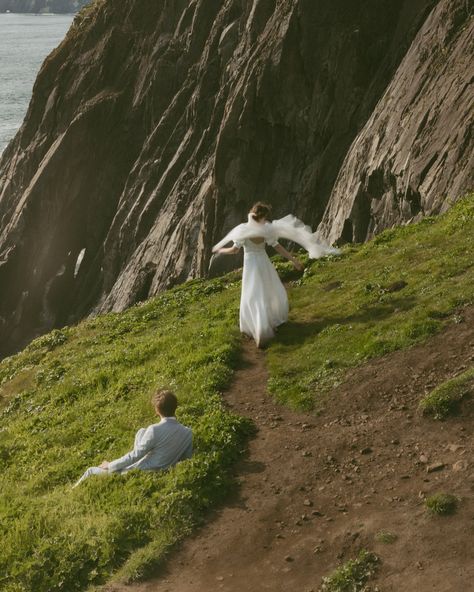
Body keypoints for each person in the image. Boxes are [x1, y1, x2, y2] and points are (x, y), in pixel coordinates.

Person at [212, 202, 339, 348]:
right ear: (262, 216)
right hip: (263, 263)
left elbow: (234, 250)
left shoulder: (243, 230)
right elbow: (278, 247)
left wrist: (222, 251)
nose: (266, 219)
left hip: (251, 265)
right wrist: (293, 260)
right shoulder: (266, 230)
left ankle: (258, 328)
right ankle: (267, 325)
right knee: (268, 291)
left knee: (253, 294)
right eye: (265, 217)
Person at [72, 390, 192, 488]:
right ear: (176, 407)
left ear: (157, 410)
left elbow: (135, 455)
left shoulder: (154, 430)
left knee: (91, 471)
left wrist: (110, 465)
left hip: (140, 473)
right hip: (162, 473)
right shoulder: (188, 433)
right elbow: (185, 458)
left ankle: (70, 492)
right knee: (141, 432)